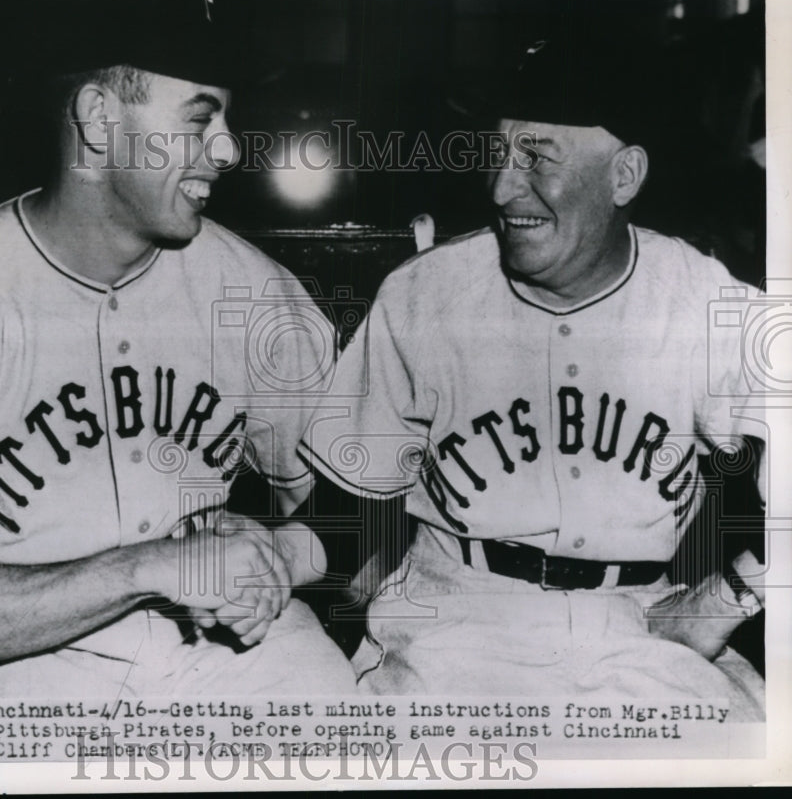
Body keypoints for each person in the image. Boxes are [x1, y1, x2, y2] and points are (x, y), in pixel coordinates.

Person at [0, 0, 356, 699]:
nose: (229, 149)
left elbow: (375, 506)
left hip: (231, 649)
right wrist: (147, 567)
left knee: (339, 716)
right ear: (99, 119)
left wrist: (277, 556)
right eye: (200, 119)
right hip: (29, 671)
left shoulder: (250, 292)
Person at [298, 35, 767, 717]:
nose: (501, 187)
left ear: (624, 176)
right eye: (499, 155)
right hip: (453, 624)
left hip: (637, 626)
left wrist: (731, 594)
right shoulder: (426, 293)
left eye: (536, 158)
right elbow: (343, 505)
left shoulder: (700, 299)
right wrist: (353, 588)